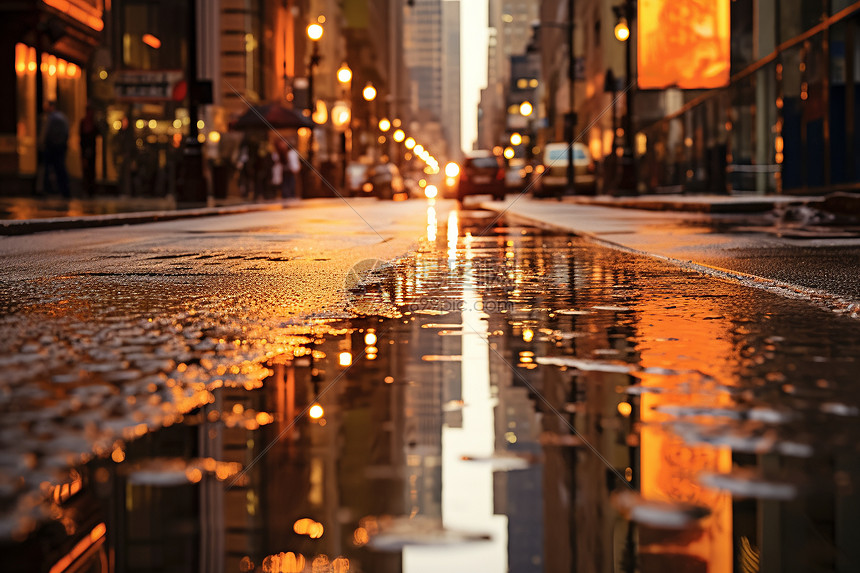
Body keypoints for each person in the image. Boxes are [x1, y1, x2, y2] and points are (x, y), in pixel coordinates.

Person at [39, 100, 70, 198]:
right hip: (58, 147)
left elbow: (47, 133)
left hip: (54, 147)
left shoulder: (54, 118)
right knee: (58, 169)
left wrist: (46, 143)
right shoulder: (60, 117)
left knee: (54, 169)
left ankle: (50, 191)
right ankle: (62, 191)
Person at [78, 104, 98, 196]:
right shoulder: (84, 123)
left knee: (91, 171)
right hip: (85, 149)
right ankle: (86, 189)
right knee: (86, 170)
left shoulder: (93, 123)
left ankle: (91, 190)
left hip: (92, 150)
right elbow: (81, 138)